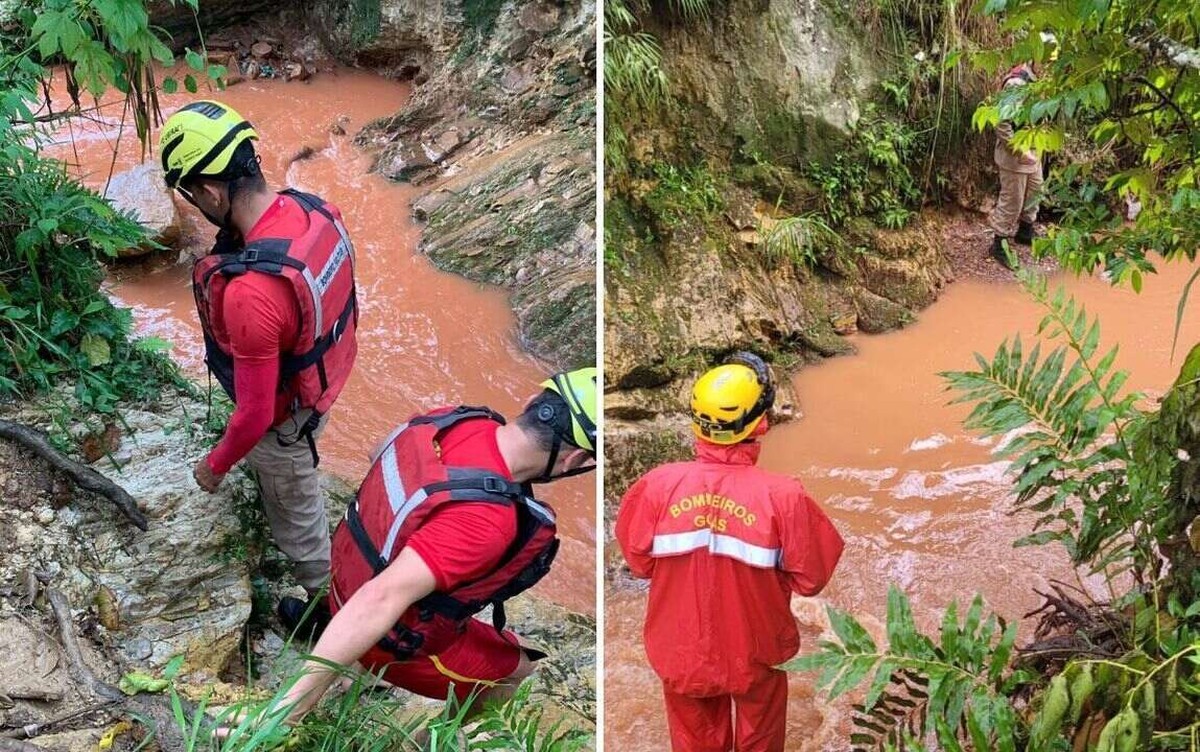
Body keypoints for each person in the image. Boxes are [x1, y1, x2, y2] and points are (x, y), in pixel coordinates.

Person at [271, 368, 597, 726]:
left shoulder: (456, 418)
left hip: (343, 572)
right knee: (517, 670)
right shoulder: (488, 521)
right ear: (573, 461)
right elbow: (379, 599)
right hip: (384, 630)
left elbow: (376, 452)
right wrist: (283, 717)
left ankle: (349, 649)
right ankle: (431, 741)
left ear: (532, 402)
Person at [158, 100, 359, 628]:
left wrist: (215, 465)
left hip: (282, 420)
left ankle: (336, 618)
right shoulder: (313, 211)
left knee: (300, 528)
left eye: (189, 195)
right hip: (318, 385)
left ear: (209, 192)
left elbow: (252, 416)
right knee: (296, 488)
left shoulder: (250, 294)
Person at [615, 353, 844, 752]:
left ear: (696, 424)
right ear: (761, 423)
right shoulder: (784, 497)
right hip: (757, 654)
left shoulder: (655, 486)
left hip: (681, 651)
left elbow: (639, 563)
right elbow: (811, 580)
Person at [990, 62, 1043, 269]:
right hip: (1015, 155)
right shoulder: (1016, 84)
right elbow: (1002, 124)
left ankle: (1025, 231)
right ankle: (999, 242)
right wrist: (1019, 151)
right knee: (1013, 199)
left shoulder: (1041, 81)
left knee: (1036, 192)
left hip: (1035, 150)